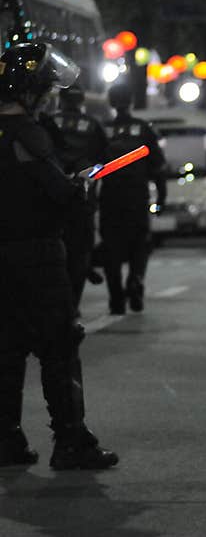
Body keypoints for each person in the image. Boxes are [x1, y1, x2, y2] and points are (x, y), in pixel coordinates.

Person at [0, 42, 117, 469]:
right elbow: (62, 196)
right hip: (37, 256)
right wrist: (81, 185)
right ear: (28, 93)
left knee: (7, 349)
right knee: (59, 345)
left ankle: (7, 441)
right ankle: (71, 441)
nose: (49, 97)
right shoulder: (30, 135)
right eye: (44, 90)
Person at [98, 83, 167, 315]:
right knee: (140, 244)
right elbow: (158, 168)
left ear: (110, 101)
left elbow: (92, 167)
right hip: (137, 197)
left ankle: (116, 298)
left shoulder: (102, 130)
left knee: (111, 249)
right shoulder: (144, 129)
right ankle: (136, 279)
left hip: (110, 198)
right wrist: (162, 198)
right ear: (132, 100)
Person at [48, 84, 108, 312]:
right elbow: (105, 160)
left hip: (53, 198)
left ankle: (58, 303)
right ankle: (73, 304)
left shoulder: (48, 123)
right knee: (80, 252)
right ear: (82, 101)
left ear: (60, 101)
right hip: (82, 199)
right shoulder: (93, 126)